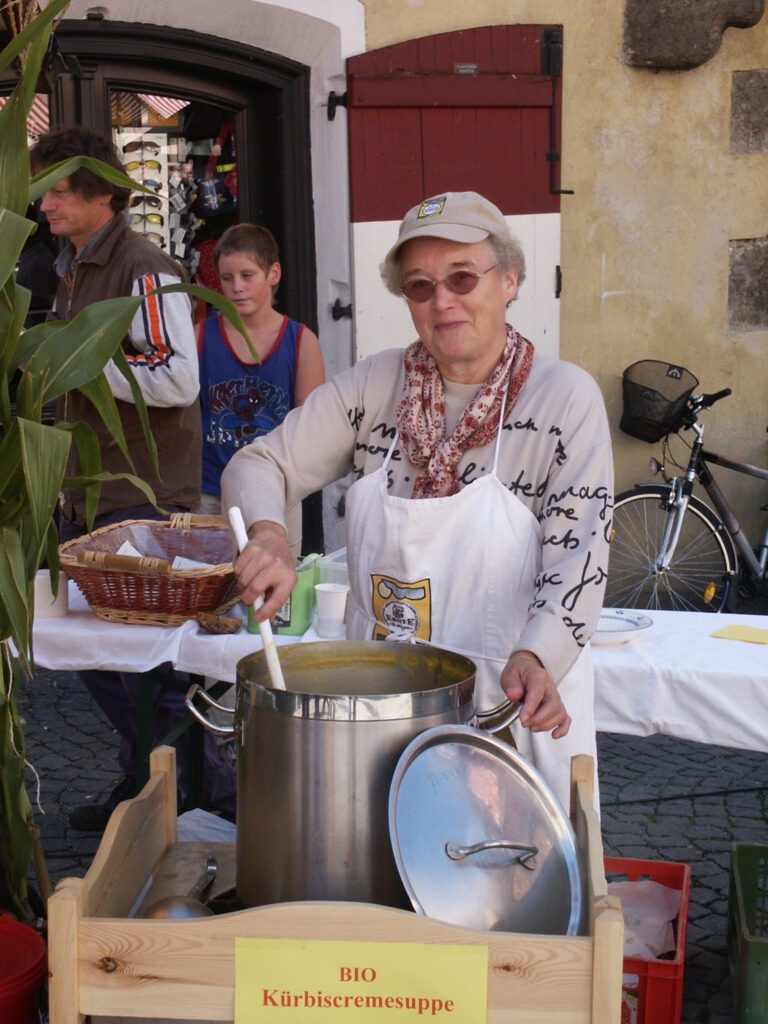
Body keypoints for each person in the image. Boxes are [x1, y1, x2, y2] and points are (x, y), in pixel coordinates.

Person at [222, 191, 613, 812]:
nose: (442, 300)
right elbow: (258, 462)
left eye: (463, 277)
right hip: (379, 725)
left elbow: (579, 557)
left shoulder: (563, 400)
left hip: (507, 716)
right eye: (420, 286)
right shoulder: (376, 386)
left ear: (509, 279)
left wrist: (541, 655)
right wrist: (269, 534)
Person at [31, 126, 236, 829]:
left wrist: (85, 364)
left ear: (98, 189)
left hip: (139, 499)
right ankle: (148, 783)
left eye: (55, 188)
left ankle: (203, 796)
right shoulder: (74, 264)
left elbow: (179, 375)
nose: (43, 203)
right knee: (102, 660)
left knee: (155, 669)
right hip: (94, 496)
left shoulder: (142, 267)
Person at [196, 224, 325, 552]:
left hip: (276, 493)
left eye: (247, 275)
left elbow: (310, 428)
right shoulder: (200, 336)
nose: (237, 287)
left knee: (278, 594)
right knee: (208, 591)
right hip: (210, 492)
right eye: (227, 278)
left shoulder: (300, 341)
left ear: (273, 273)